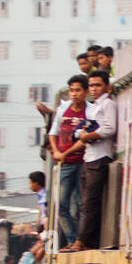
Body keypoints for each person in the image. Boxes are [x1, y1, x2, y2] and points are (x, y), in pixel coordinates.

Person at [64, 70, 116, 251]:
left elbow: (109, 129)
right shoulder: (93, 107)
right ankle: (84, 241)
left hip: (100, 157)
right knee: (84, 203)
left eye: (98, 85)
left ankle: (81, 242)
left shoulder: (107, 104)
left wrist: (88, 135)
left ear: (106, 87)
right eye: (92, 85)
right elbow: (84, 129)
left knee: (90, 204)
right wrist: (82, 135)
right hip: (89, 156)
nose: (94, 89)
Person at [49, 74, 89, 245]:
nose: (74, 94)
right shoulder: (63, 109)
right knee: (61, 206)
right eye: (72, 90)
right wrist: (57, 151)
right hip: (64, 165)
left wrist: (64, 154)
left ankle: (82, 240)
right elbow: (53, 132)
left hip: (82, 163)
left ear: (85, 92)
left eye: (78, 90)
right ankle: (72, 240)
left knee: (81, 205)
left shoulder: (91, 110)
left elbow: (85, 139)